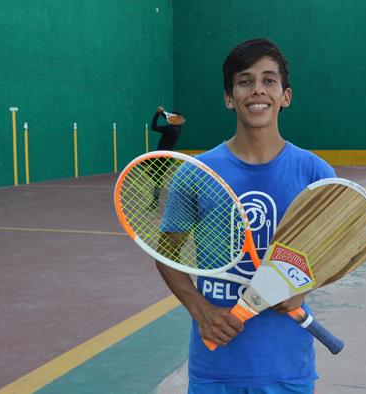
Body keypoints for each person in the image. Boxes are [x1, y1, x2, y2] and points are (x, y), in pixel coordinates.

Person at [154, 38, 335, 393]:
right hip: (215, 371)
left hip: (288, 371)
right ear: (229, 97)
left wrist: (304, 287)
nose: (257, 90)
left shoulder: (316, 174)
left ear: (286, 96)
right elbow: (166, 255)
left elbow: (333, 251)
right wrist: (200, 308)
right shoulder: (195, 173)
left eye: (269, 80)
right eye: (245, 80)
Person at [148, 107, 185, 210]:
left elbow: (153, 127)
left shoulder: (169, 129)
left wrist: (157, 114)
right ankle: (155, 198)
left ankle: (155, 201)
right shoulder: (178, 127)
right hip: (166, 157)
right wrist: (162, 113)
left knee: (157, 179)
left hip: (163, 157)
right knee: (154, 175)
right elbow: (169, 118)